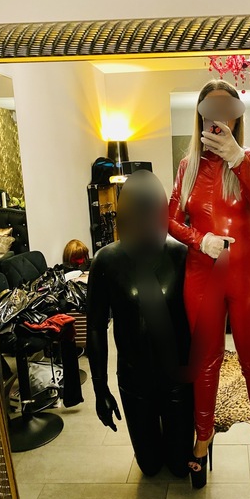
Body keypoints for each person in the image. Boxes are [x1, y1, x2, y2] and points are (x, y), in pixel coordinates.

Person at [169, 79, 250, 499]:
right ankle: (203, 437)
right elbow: (170, 219)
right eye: (209, 111)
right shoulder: (187, 166)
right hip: (203, 273)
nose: (217, 119)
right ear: (199, 116)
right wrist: (200, 240)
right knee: (205, 362)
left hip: (248, 275)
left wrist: (237, 159)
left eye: (225, 110)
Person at [86, 170, 194, 478]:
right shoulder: (106, 261)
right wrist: (100, 388)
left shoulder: (182, 256)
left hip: (178, 378)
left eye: (151, 214)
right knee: (149, 466)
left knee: (180, 466)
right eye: (137, 215)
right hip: (135, 380)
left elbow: (203, 322)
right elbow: (95, 327)